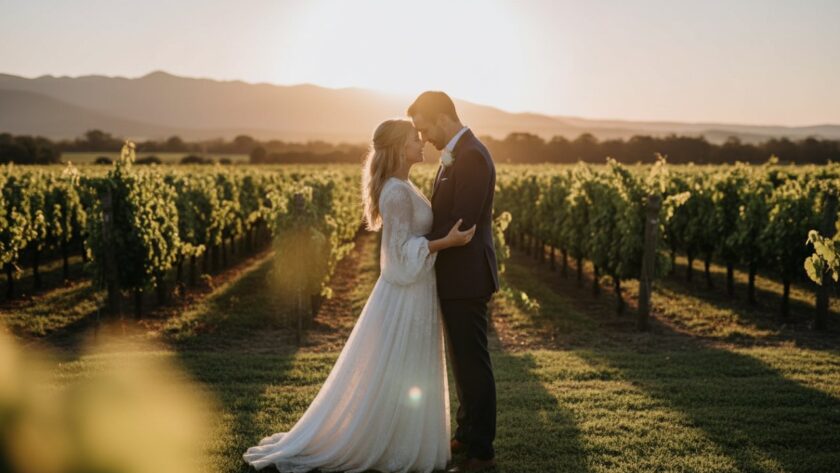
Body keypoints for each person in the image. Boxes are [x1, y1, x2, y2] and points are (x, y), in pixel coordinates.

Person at [242, 118, 476, 473]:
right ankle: (389, 442)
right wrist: (447, 242)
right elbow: (397, 258)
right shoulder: (396, 192)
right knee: (400, 368)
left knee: (408, 369)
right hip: (405, 293)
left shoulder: (404, 185)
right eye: (415, 139)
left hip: (417, 290)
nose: (423, 142)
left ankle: (406, 437)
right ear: (399, 148)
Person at [409, 91, 499, 473]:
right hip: (455, 276)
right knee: (462, 362)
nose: (424, 137)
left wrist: (418, 244)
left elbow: (463, 221)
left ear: (443, 117)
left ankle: (481, 451)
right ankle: (466, 432)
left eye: (424, 128)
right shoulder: (458, 154)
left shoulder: (472, 156)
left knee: (473, 363)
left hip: (467, 277)